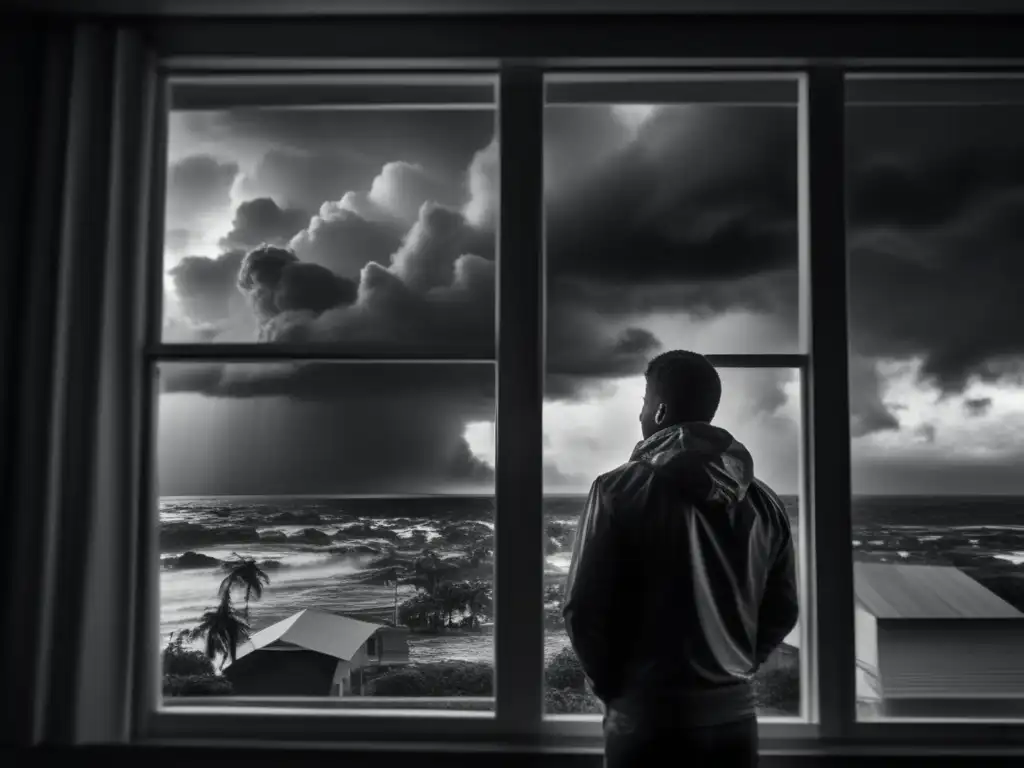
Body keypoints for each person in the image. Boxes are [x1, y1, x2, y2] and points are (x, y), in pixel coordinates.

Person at [563, 350, 799, 768]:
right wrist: (736, 669)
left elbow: (582, 609)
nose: (640, 412)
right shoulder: (766, 503)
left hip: (645, 721)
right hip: (734, 723)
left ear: (661, 410)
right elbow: (782, 609)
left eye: (643, 401)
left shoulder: (616, 491)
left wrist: (618, 691)